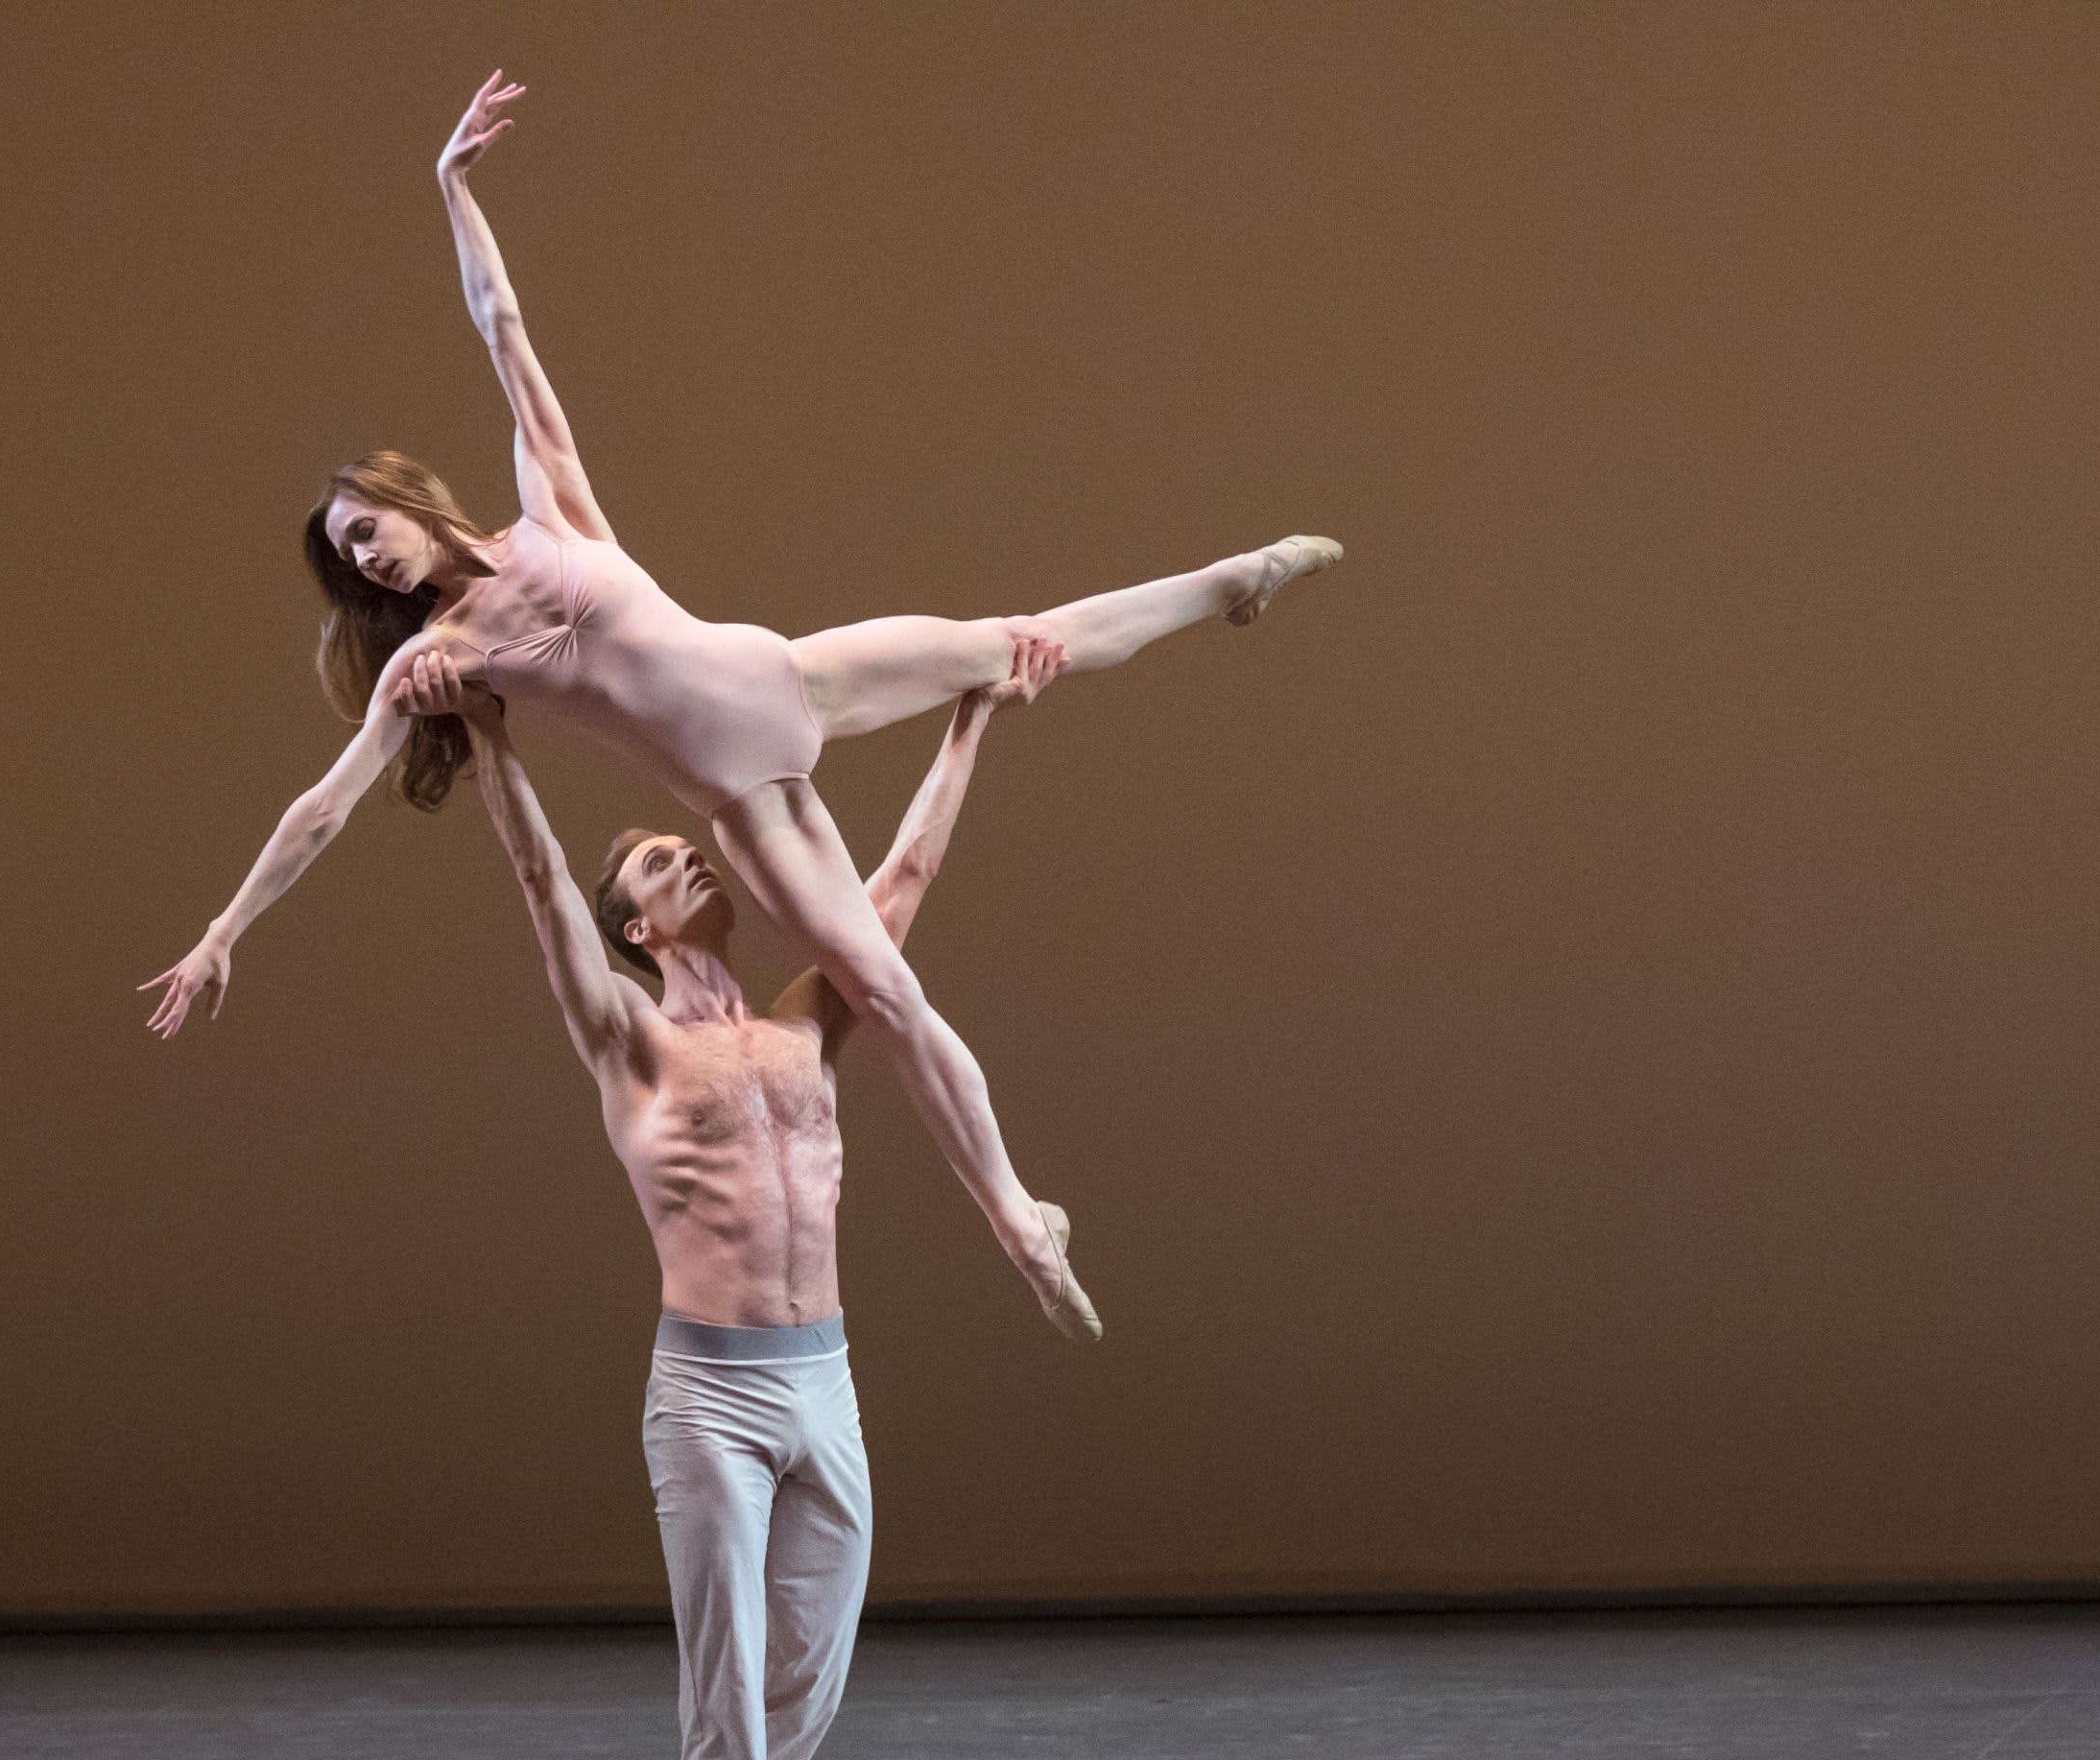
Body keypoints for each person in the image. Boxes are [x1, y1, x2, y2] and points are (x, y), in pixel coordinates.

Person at [143, 71, 1342, 1343]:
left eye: (365, 530)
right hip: (741, 800)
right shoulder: (436, 667)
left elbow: (504, 322)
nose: (368, 558)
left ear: (402, 497)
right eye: (350, 559)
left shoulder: (549, 507)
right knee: (885, 995)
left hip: (788, 675)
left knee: (1016, 642)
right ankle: (1018, 1219)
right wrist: (225, 930)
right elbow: (321, 810)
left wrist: (449, 186)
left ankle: (1232, 582)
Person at [458, 681, 1011, 1760]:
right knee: (730, 1690)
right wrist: (489, 741)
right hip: (708, 1394)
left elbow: (904, 878)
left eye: (684, 843)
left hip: (824, 1380)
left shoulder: (804, 1019)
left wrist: (972, 721)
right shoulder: (631, 1042)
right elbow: (539, 882)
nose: (686, 854)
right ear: (635, 927)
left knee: (799, 1681)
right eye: (656, 862)